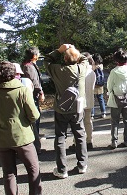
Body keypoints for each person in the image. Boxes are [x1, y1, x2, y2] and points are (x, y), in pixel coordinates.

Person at [0, 61, 42, 195]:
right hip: (23, 137)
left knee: (8, 173)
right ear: (14, 74)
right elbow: (34, 115)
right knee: (33, 169)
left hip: (1, 138)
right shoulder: (22, 90)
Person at [44, 44, 88, 178]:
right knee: (80, 135)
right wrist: (73, 51)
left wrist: (59, 50)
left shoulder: (58, 70)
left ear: (64, 59)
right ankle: (82, 165)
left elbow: (46, 61)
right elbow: (85, 59)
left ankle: (62, 169)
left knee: (60, 137)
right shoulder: (81, 68)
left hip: (62, 108)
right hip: (77, 108)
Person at [107, 49, 127, 149]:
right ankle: (126, 140)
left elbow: (109, 86)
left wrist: (109, 92)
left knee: (115, 122)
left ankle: (114, 142)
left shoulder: (114, 72)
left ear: (116, 60)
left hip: (115, 100)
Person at [22, 47, 45, 154]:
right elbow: (35, 82)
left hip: (32, 96)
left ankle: (36, 144)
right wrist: (40, 93)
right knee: (34, 120)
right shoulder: (28, 66)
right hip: (31, 96)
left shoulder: (29, 65)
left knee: (35, 119)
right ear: (34, 56)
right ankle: (36, 147)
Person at [80, 52, 96, 150]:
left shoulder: (80, 72)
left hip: (80, 101)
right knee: (88, 121)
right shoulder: (92, 73)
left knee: (78, 122)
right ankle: (89, 141)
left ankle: (77, 142)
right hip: (89, 99)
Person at [92, 53, 107, 118]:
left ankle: (92, 114)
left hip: (93, 84)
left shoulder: (93, 66)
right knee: (101, 98)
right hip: (100, 85)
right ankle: (103, 112)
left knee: (92, 99)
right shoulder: (101, 65)